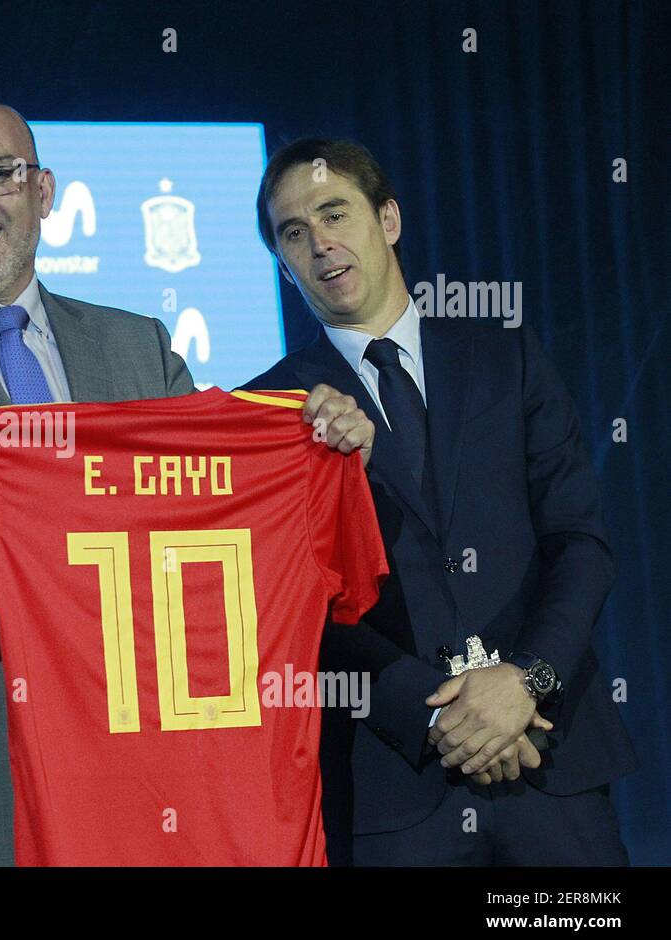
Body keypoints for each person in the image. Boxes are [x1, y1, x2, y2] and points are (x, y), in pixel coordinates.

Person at [0, 102, 373, 865]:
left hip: (131, 771)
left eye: (0, 173)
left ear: (44, 192)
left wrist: (315, 447)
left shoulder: (137, 347)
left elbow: (213, 520)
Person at [245, 138, 635, 865]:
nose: (319, 243)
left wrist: (525, 682)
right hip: (393, 787)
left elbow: (579, 542)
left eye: (335, 213)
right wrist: (438, 717)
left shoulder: (506, 354)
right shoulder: (268, 408)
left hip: (549, 759)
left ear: (388, 219)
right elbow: (291, 601)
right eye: (293, 233)